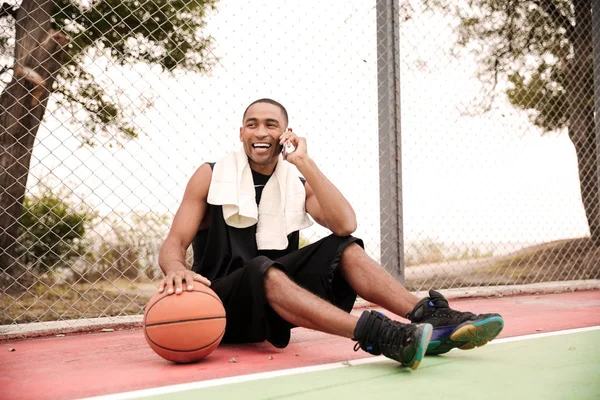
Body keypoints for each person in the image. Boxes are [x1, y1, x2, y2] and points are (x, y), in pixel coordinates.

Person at [157, 98, 504, 370]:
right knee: (263, 269)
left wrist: (304, 162)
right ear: (241, 133)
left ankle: (428, 315)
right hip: (221, 304)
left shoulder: (295, 181)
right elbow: (175, 241)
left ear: (285, 133)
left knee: (345, 247)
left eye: (270, 125)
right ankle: (376, 334)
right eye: (252, 125)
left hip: (277, 303)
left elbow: (345, 223)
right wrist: (176, 268)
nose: (260, 132)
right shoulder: (211, 175)